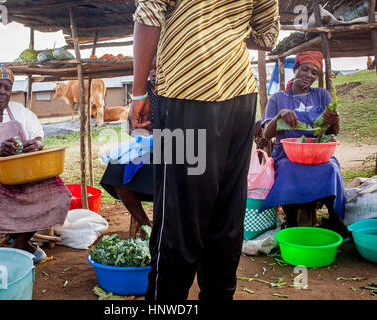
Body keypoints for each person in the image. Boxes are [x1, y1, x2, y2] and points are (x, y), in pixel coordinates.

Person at [130, 1, 279, 300]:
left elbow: (148, 14)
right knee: (226, 216)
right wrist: (224, 31)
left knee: (178, 220)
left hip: (188, 92)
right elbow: (267, 35)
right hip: (240, 97)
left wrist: (138, 93)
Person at [0, 65, 71, 263]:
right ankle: (23, 245)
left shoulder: (18, 111)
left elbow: (38, 137)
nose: (2, 92)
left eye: (7, 88)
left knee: (55, 190)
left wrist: (37, 144)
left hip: (19, 171)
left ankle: (18, 246)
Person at [260, 51, 349, 237]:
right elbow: (267, 134)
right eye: (305, 69)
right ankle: (291, 221)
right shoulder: (278, 98)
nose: (309, 75)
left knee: (331, 167)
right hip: (287, 153)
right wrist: (279, 116)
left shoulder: (322, 95)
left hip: (318, 153)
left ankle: (334, 218)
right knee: (287, 168)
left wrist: (334, 120)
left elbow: (334, 132)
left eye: (314, 72)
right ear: (295, 69)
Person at [99, 58, 159, 239]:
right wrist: (137, 129)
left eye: (158, 68)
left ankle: (168, 227)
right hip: (148, 149)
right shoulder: (144, 90)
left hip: (178, 150)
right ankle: (145, 225)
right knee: (115, 172)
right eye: (150, 69)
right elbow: (129, 127)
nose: (154, 73)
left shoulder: (179, 90)